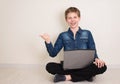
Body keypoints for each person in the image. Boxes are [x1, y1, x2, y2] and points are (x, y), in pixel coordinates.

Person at [40, 7, 107, 82]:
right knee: (49, 66)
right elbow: (53, 54)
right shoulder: (63, 35)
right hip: (69, 67)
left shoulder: (87, 33)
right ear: (66, 20)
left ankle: (67, 77)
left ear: (79, 18)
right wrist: (48, 41)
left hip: (86, 66)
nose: (72, 20)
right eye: (69, 18)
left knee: (103, 67)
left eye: (75, 17)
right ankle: (86, 75)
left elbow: (93, 49)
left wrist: (97, 59)